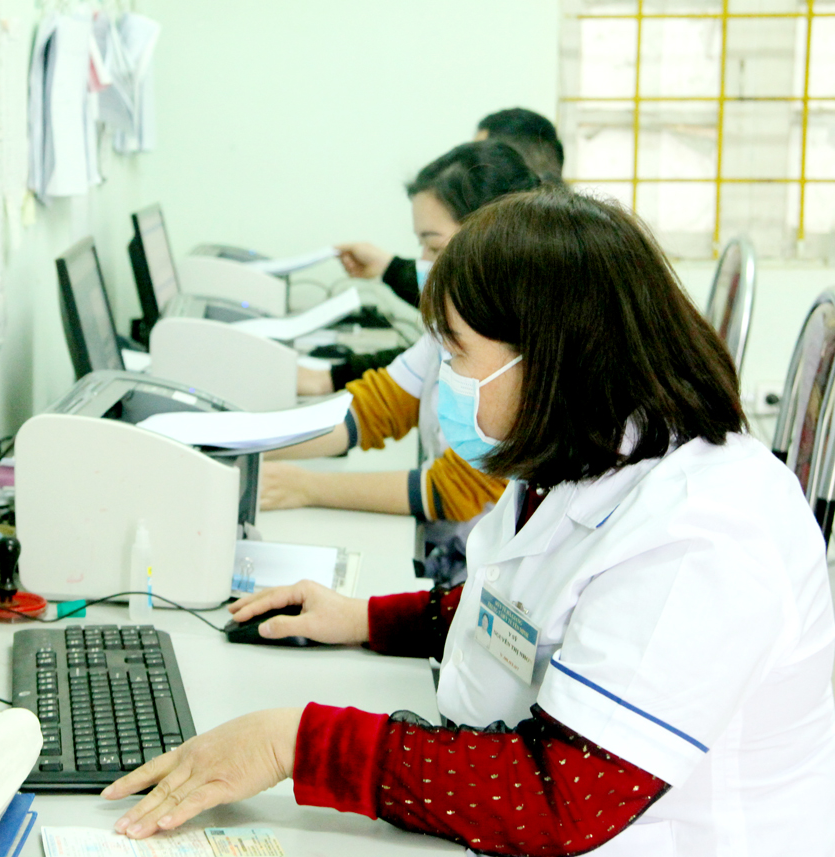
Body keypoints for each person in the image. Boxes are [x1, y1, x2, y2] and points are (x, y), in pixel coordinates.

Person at [102, 188, 835, 855]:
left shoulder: (703, 533)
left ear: (549, 358)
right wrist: (368, 618)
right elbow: (529, 615)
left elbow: (557, 796)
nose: (443, 379)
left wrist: (296, 741)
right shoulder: (582, 456)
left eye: (457, 353)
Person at [269, 142, 538, 585]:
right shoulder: (445, 329)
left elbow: (455, 490)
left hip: (485, 582)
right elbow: (371, 410)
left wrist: (305, 486)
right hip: (452, 563)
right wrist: (243, 446)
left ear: (489, 237)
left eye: (432, 247)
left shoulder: (523, 353)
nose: (423, 265)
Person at [299, 108, 563, 398]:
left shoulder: (539, 352)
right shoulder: (466, 326)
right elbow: (405, 380)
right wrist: (387, 267)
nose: (471, 164)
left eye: (435, 247)